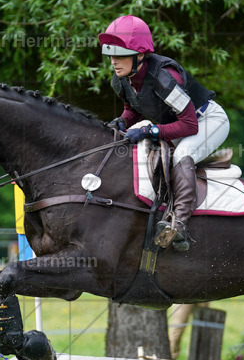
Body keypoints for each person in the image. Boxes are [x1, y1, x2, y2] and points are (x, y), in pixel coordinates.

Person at [99, 15, 230, 252]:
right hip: (179, 125)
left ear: (139, 55)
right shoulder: (121, 80)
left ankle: (179, 223)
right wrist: (121, 122)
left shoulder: (164, 78)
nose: (113, 62)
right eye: (111, 55)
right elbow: (133, 110)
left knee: (183, 154)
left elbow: (190, 126)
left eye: (119, 55)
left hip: (207, 120)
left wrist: (152, 130)